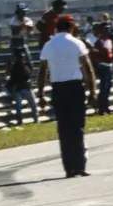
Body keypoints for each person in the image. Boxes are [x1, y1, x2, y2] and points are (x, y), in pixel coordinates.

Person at [37, 15, 97, 178]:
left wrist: (41, 94)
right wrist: (93, 91)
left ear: (57, 27)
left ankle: (69, 168)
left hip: (58, 89)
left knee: (63, 129)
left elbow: (42, 71)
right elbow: (88, 68)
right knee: (77, 127)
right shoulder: (77, 43)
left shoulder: (49, 45)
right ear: (71, 27)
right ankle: (79, 166)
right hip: (74, 88)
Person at [89, 23, 113, 115]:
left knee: (108, 88)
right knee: (103, 88)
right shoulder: (98, 42)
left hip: (109, 65)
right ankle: (101, 108)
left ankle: (106, 107)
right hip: (103, 66)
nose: (107, 32)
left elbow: (110, 53)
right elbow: (95, 55)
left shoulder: (109, 41)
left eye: (108, 30)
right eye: (105, 30)